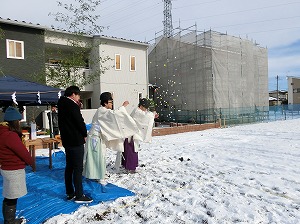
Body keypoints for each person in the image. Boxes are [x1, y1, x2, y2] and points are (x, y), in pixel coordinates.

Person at [83, 92, 138, 187]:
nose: (111, 104)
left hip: (98, 137)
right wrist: (123, 107)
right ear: (105, 103)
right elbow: (115, 115)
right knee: (97, 157)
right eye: (110, 102)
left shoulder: (103, 111)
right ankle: (99, 177)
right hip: (95, 138)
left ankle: (99, 174)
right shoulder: (101, 110)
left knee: (101, 156)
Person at [57, 86, 93, 203]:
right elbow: (79, 121)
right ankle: (79, 194)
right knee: (78, 168)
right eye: (78, 95)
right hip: (75, 140)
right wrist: (84, 133)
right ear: (73, 94)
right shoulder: (72, 105)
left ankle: (70, 192)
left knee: (69, 167)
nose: (79, 97)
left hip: (67, 140)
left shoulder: (62, 104)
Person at [0, 106, 34, 223]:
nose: (19, 123)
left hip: (6, 167)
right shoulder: (10, 135)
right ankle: (9, 221)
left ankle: (9, 220)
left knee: (9, 195)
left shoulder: (3, 133)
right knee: (11, 197)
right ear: (14, 122)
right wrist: (31, 162)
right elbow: (23, 152)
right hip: (13, 169)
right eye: (18, 121)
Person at [121, 98, 158, 173]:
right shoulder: (137, 111)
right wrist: (153, 115)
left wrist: (153, 116)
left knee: (131, 151)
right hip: (130, 135)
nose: (146, 109)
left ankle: (129, 166)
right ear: (141, 106)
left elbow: (145, 117)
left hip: (132, 135)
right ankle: (130, 167)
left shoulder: (139, 111)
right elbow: (145, 118)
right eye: (145, 107)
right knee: (131, 152)